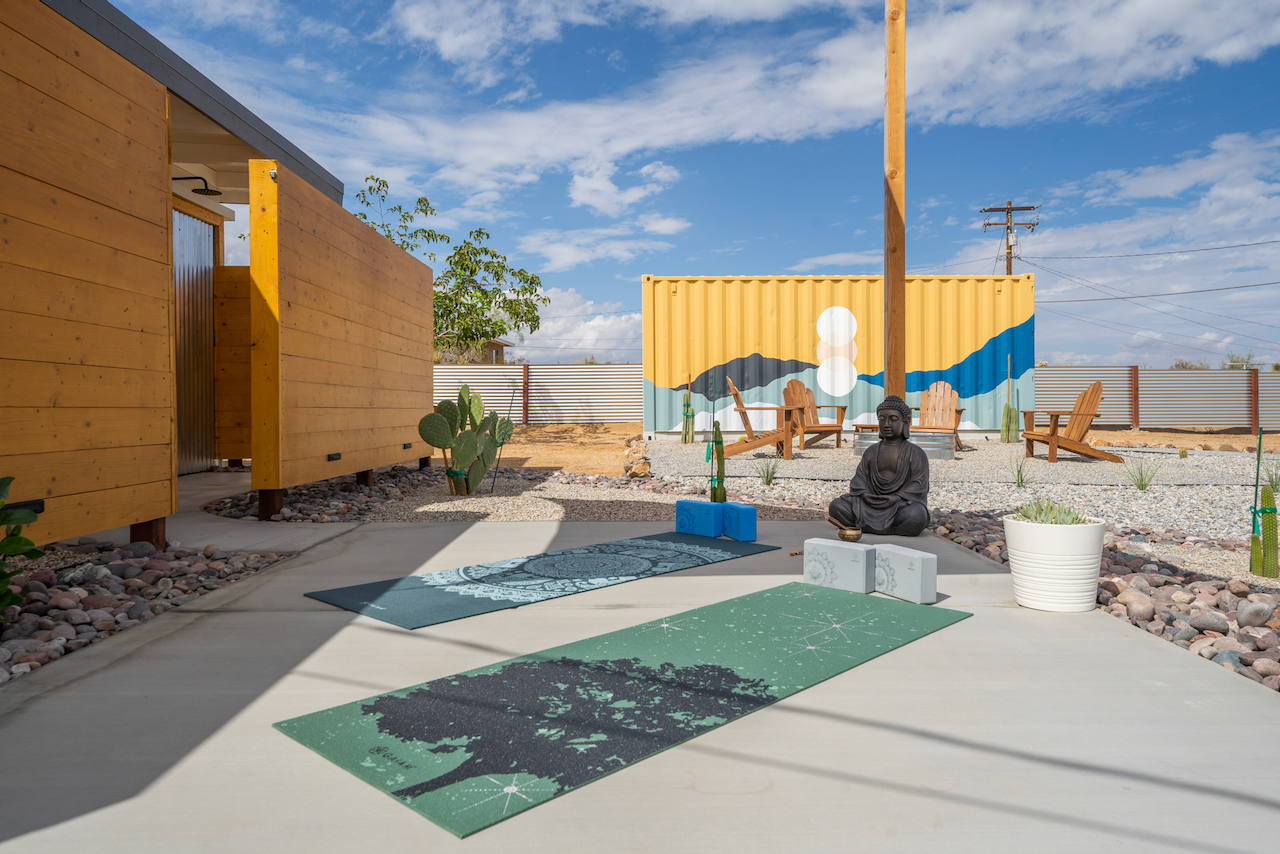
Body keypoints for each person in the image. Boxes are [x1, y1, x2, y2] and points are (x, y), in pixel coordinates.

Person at [828, 394, 930, 536]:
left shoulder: (915, 452)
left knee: (916, 515)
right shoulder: (871, 451)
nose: (887, 424)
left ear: (905, 422)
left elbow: (919, 484)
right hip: (869, 502)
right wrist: (866, 494)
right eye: (882, 419)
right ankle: (890, 528)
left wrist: (897, 497)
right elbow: (860, 478)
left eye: (893, 419)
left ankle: (872, 525)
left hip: (898, 504)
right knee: (837, 506)